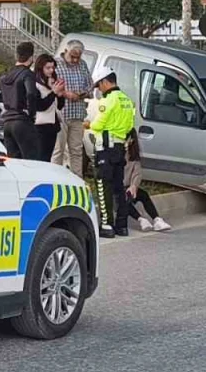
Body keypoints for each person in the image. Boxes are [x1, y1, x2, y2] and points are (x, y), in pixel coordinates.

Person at [84, 64, 135, 238]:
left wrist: (87, 124)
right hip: (120, 148)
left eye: (99, 85)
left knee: (103, 186)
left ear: (106, 81)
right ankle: (122, 226)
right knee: (119, 187)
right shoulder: (126, 100)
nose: (98, 89)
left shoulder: (108, 100)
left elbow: (98, 124)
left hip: (105, 149)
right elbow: (129, 126)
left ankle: (106, 225)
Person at [0, 42, 42, 159]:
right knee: (32, 161)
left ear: (17, 56)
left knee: (14, 161)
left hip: (7, 123)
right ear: (31, 58)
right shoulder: (27, 74)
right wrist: (31, 114)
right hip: (22, 121)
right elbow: (31, 93)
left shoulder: (4, 75)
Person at [51, 40, 93, 176]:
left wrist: (81, 94)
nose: (75, 60)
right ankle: (54, 180)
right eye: (72, 56)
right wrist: (65, 93)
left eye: (78, 57)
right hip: (61, 114)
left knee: (76, 150)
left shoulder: (83, 65)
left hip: (77, 114)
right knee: (58, 150)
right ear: (66, 51)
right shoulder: (55, 64)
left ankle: (77, 180)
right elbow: (48, 87)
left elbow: (90, 87)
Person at [123, 133, 171, 232]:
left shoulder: (133, 155)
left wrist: (133, 186)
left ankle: (157, 219)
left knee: (143, 194)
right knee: (121, 199)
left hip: (129, 186)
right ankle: (141, 220)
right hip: (117, 187)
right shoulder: (117, 154)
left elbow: (137, 173)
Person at [32, 54, 65, 162]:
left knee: (48, 157)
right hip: (40, 126)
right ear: (40, 67)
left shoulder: (52, 81)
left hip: (52, 125)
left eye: (53, 67)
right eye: (48, 68)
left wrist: (60, 95)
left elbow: (59, 106)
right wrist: (53, 93)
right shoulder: (34, 84)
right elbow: (40, 106)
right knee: (41, 157)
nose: (51, 70)